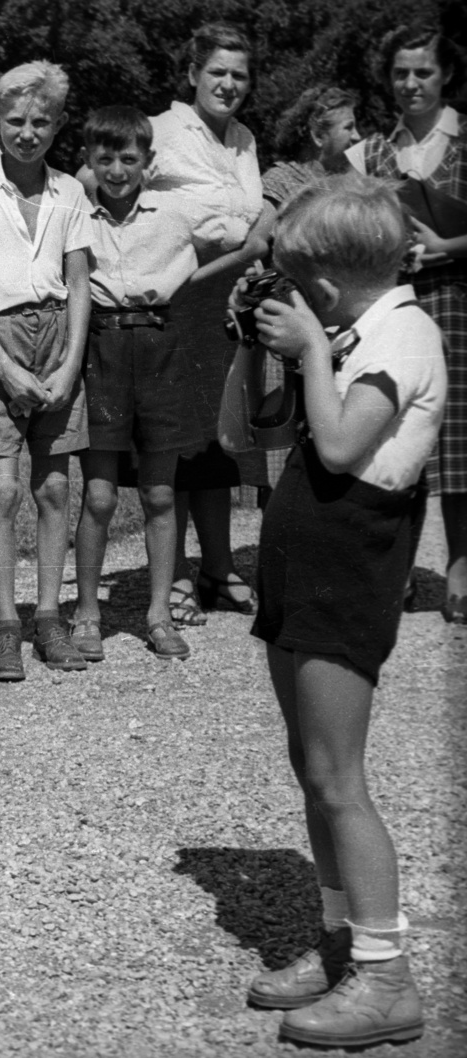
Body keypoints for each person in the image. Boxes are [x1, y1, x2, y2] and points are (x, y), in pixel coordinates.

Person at [246, 176, 442, 1048]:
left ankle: (386, 977)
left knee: (340, 780)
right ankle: (341, 946)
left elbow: (338, 443)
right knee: (310, 766)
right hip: (304, 563)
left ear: (321, 286)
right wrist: (277, 354)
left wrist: (314, 355)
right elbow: (249, 437)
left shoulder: (405, 334)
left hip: (347, 568)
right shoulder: (358, 327)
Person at [0, 61, 93, 682]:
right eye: (14, 122)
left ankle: (49, 617)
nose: (27, 133)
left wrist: (68, 365)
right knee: (3, 487)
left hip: (56, 336)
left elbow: (82, 283)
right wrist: (4, 368)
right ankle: (5, 626)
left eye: (40, 122)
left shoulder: (70, 192)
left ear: (58, 125)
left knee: (55, 486)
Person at [71, 107, 210, 663]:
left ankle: (157, 615)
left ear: (149, 163)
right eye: (104, 158)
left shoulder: (174, 214)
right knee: (100, 495)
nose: (117, 170)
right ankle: (86, 612)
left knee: (158, 491)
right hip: (103, 348)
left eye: (129, 159)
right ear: (88, 162)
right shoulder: (76, 215)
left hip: (161, 348)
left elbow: (234, 230)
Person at [141, 22, 264, 627]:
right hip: (176, 301)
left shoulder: (243, 140)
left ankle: (219, 567)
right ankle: (180, 573)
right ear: (192, 74)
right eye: (218, 71)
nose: (229, 84)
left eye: (240, 74)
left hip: (229, 305)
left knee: (218, 438)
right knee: (179, 440)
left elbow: (250, 217)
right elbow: (106, 186)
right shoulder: (162, 131)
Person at [347, 24, 467, 624]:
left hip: (460, 306)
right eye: (401, 73)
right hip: (395, 307)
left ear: (445, 74)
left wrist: (448, 244)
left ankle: (460, 576)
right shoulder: (371, 151)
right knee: (397, 440)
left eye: (423, 71)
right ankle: (391, 573)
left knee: (460, 445)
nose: (411, 83)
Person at [237, 86, 362, 489]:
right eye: (349, 126)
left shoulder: (356, 184)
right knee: (285, 439)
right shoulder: (284, 178)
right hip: (293, 328)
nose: (358, 136)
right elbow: (257, 244)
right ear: (318, 134)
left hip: (345, 329)